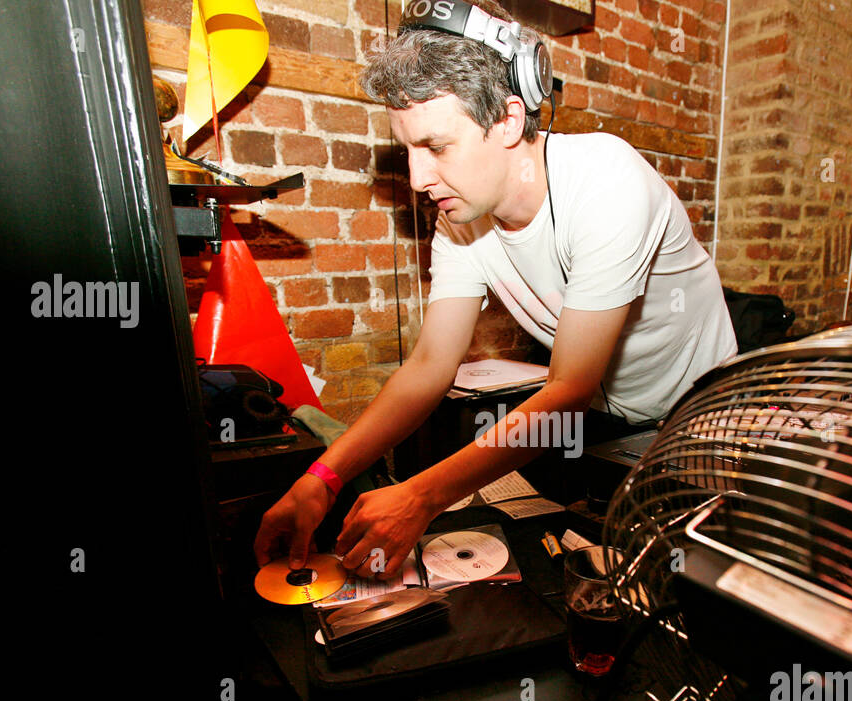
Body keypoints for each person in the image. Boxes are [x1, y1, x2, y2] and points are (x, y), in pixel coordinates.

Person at [253, 0, 736, 578]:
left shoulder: (607, 181)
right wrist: (321, 478)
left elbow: (570, 388)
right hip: (603, 422)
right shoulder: (459, 217)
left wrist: (420, 496)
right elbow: (430, 365)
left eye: (435, 146)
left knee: (677, 593)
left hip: (701, 424)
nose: (417, 178)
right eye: (407, 149)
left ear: (509, 121)